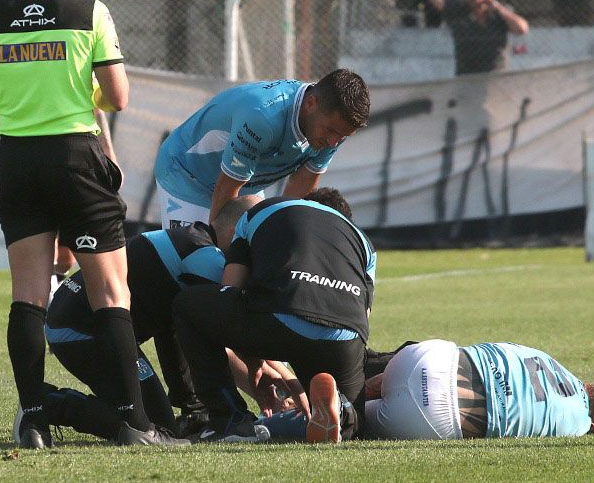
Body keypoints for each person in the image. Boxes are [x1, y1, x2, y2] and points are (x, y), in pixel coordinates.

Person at [0, 0, 183, 449]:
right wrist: (70, 88)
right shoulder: (89, 11)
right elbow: (118, 97)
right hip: (76, 156)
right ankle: (136, 423)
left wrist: (17, 96)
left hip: (17, 158)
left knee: (28, 297)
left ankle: (33, 418)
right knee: (110, 293)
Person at [40, 196, 262, 444]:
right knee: (150, 430)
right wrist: (268, 386)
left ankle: (194, 413)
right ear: (237, 232)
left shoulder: (191, 239)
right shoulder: (205, 258)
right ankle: (43, 403)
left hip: (76, 319)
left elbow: (176, 331)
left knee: (159, 426)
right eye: (254, 242)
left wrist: (194, 405)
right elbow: (222, 341)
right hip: (80, 330)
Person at [172, 187, 376, 443]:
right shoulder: (363, 241)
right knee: (354, 427)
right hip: (344, 335)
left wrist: (254, 359)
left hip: (280, 319)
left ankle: (229, 419)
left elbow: (231, 288)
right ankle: (344, 411)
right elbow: (364, 313)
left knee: (187, 305)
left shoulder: (261, 211)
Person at [154, 69, 369, 229]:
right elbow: (227, 189)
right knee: (199, 265)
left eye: (342, 136)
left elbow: (300, 188)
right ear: (311, 103)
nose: (333, 142)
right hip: (187, 175)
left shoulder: (332, 130)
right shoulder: (263, 117)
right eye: (330, 131)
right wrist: (218, 249)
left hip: (245, 183)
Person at [313, 339, 594, 442]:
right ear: (593, 425)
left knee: (387, 378)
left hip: (425, 357)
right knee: (351, 424)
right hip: (432, 415)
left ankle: (329, 391)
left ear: (586, 385)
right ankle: (339, 414)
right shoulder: (578, 423)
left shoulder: (548, 361)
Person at [0, 111, 118, 294]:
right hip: (29, 155)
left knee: (65, 261)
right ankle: (45, 305)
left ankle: (55, 296)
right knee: (42, 249)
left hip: (72, 155)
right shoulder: (13, 84)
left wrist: (109, 157)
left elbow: (98, 108)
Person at [428, 0, 529, 76]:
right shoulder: (459, 12)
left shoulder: (498, 13)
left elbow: (522, 29)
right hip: (467, 75)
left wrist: (498, 8)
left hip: (496, 74)